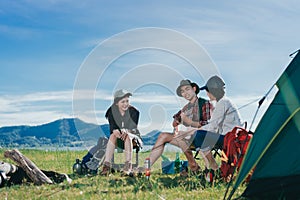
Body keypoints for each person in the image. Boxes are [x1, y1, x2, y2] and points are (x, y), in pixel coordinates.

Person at [148, 79, 212, 174]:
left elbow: (208, 123)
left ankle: (193, 165)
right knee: (163, 136)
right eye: (182, 91)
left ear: (194, 89)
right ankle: (146, 167)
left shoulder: (204, 103)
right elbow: (175, 122)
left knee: (180, 135)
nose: (185, 93)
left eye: (187, 89)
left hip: (201, 137)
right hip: (185, 138)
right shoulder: (186, 108)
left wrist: (190, 123)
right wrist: (177, 121)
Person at [192, 75, 243, 172]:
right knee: (200, 135)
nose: (207, 94)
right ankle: (210, 169)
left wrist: (197, 130)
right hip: (231, 137)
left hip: (230, 139)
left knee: (199, 136)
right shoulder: (225, 102)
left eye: (207, 91)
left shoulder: (223, 103)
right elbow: (215, 126)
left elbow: (212, 127)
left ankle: (214, 169)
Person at [100, 89, 141, 176]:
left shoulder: (134, 112)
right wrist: (116, 131)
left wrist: (126, 130)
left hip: (133, 139)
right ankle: (106, 165)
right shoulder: (111, 112)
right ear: (116, 103)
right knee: (112, 136)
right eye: (123, 102)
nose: (125, 104)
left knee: (127, 136)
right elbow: (113, 129)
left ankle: (128, 166)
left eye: (127, 101)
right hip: (119, 139)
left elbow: (133, 129)